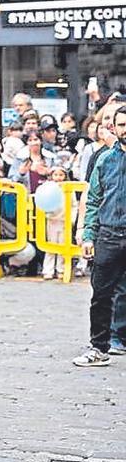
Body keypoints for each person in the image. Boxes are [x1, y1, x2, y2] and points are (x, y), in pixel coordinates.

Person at [74, 105, 126, 367]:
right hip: (108, 234)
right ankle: (99, 348)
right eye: (123, 125)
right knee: (101, 295)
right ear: (113, 129)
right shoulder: (105, 160)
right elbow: (93, 200)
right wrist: (88, 236)